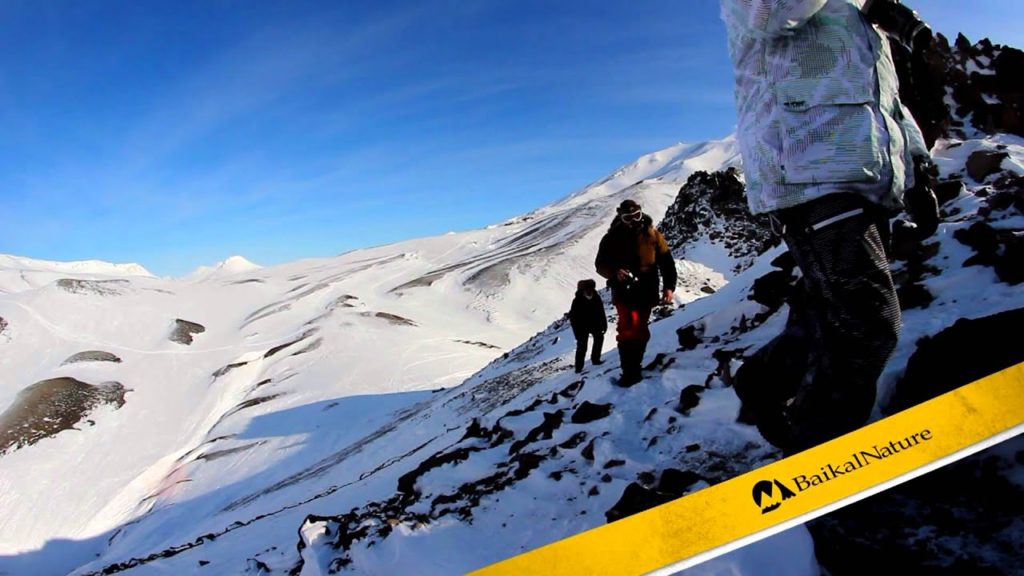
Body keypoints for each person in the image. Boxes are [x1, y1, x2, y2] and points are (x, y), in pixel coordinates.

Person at [719, 0, 940, 455]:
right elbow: (768, 13)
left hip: (869, 178)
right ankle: (822, 461)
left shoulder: (861, 16)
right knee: (870, 325)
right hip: (809, 175)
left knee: (830, 316)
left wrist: (918, 167)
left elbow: (887, 101)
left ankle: (760, 383)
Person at [595, 199, 677, 387]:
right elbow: (600, 264)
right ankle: (629, 371)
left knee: (639, 327)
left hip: (647, 289)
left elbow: (666, 262)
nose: (633, 220)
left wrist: (669, 287)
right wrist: (616, 272)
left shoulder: (653, 235)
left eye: (636, 215)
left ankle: (634, 366)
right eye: (628, 217)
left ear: (641, 213)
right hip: (623, 290)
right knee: (627, 327)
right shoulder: (611, 238)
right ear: (620, 217)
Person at [568, 279, 608, 373]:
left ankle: (595, 359)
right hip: (581, 326)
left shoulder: (596, 297)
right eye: (587, 289)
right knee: (582, 346)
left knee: (599, 338)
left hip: (595, 323)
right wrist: (577, 332)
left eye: (591, 289)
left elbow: (601, 311)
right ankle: (578, 368)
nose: (589, 291)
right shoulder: (577, 300)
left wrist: (604, 324)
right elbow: (573, 318)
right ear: (583, 290)